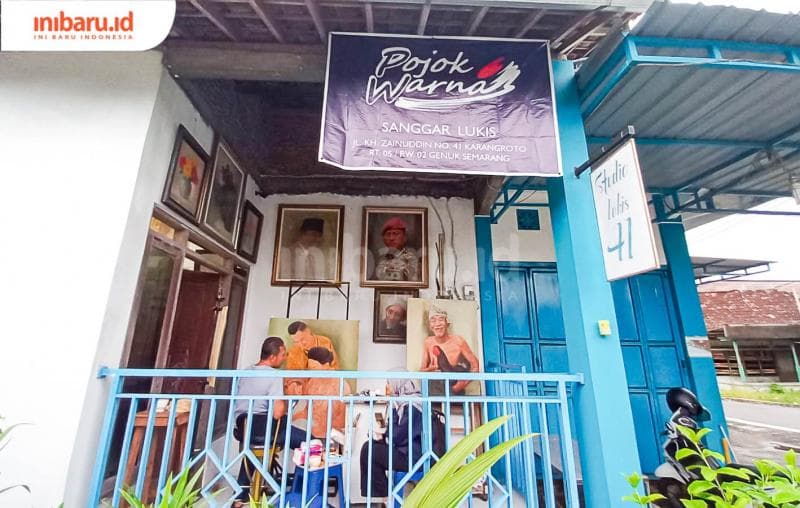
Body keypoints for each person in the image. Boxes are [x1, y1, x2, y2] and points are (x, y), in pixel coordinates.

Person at [233, 337, 306, 506]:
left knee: (252, 452)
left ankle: (240, 495)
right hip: (263, 428)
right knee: (308, 442)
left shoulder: (246, 372)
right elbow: (278, 412)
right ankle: (299, 490)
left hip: (243, 428)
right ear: (273, 357)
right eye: (283, 354)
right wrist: (288, 402)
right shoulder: (273, 375)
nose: (285, 358)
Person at [360, 377, 423, 500]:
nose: (387, 388)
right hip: (405, 451)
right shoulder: (402, 403)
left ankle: (386, 496)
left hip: (412, 457)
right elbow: (395, 433)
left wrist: (393, 410)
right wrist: (383, 436)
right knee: (368, 446)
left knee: (370, 451)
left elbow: (398, 436)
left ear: (397, 383)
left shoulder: (413, 405)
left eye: (388, 384)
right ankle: (385, 494)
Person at [291, 347, 350, 441]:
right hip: (311, 432)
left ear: (326, 365)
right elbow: (306, 408)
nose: (311, 371)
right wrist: (292, 418)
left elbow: (342, 417)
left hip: (331, 435)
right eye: (310, 368)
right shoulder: (312, 382)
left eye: (314, 367)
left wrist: (324, 429)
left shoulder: (341, 384)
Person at [420, 306, 480, 394]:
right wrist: (432, 368)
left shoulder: (458, 341)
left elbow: (475, 366)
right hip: (435, 389)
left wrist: (461, 385)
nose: (437, 324)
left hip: (454, 388)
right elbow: (422, 371)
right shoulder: (428, 342)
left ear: (447, 322)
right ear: (430, 326)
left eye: (441, 319)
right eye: (433, 320)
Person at [285, 321, 340, 394]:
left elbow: (334, 367)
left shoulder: (325, 342)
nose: (301, 344)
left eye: (302, 339)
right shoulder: (293, 352)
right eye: (296, 342)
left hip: (326, 386)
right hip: (305, 390)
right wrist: (295, 384)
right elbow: (291, 376)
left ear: (309, 332)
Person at [373, 217, 420, 282]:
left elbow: (414, 283)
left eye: (395, 234)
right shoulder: (381, 259)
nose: (391, 238)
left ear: (405, 237)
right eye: (388, 234)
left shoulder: (411, 259)